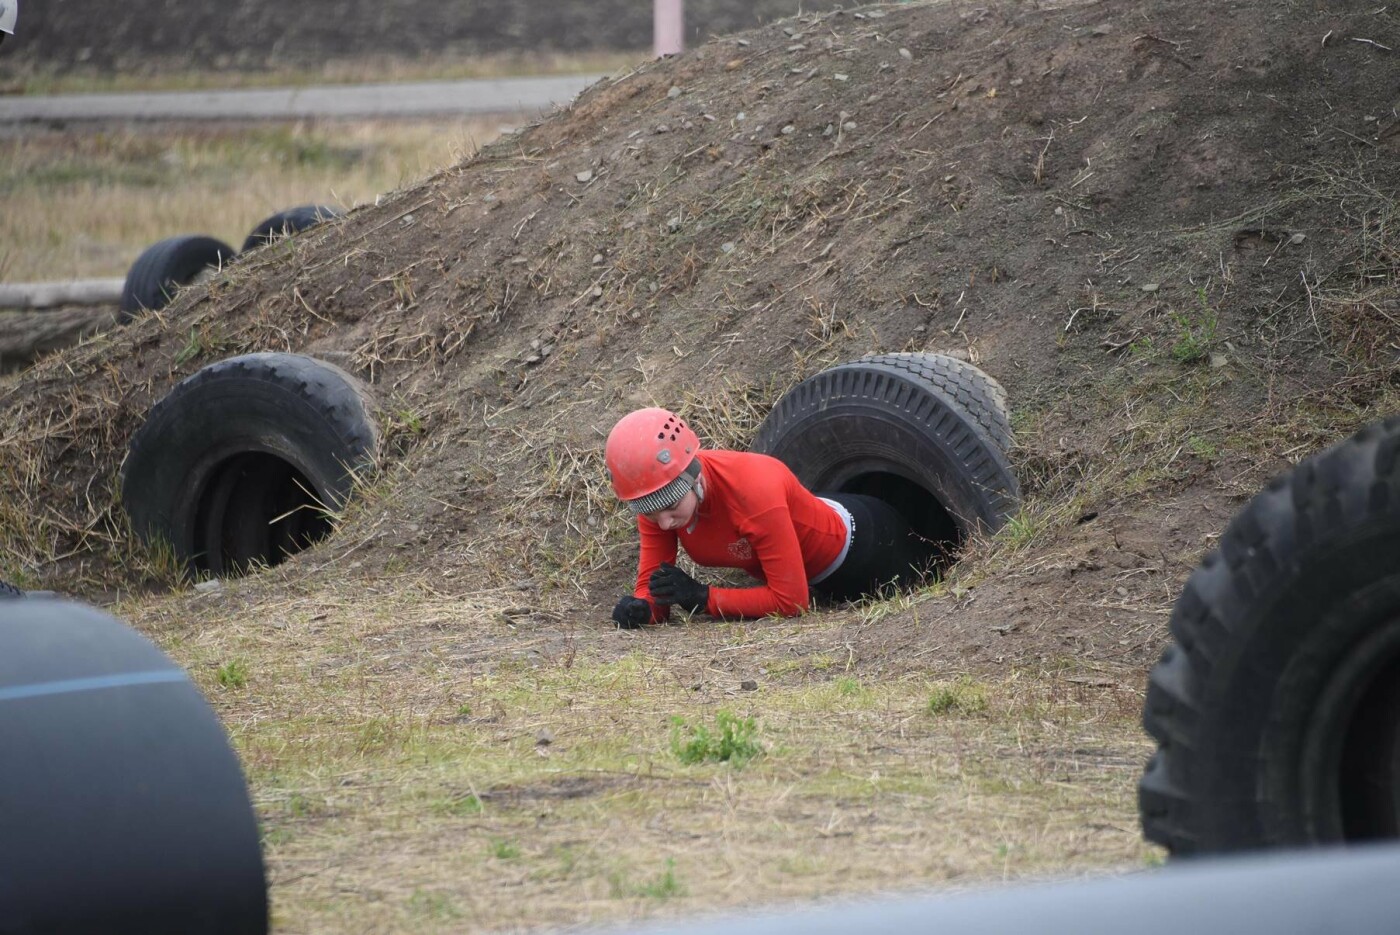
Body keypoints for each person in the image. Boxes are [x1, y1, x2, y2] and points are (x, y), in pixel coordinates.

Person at [605, 407, 933, 627]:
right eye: (650, 512)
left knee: (930, 571)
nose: (663, 523)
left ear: (693, 477)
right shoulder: (657, 493)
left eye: (671, 508)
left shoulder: (753, 491)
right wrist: (643, 610)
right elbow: (654, 593)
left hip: (868, 550)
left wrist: (704, 598)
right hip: (809, 522)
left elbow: (792, 602)